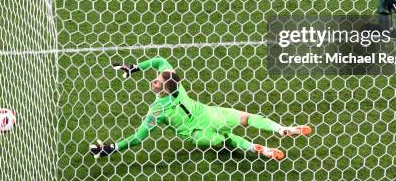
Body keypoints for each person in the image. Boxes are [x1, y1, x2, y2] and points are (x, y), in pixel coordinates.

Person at [90, 57, 312, 161]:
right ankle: (281, 129)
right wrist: (136, 68)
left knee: (227, 139)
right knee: (246, 118)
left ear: (165, 91)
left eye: (157, 82)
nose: (154, 81)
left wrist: (113, 147)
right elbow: (160, 61)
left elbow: (139, 137)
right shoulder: (178, 85)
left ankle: (260, 149)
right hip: (209, 113)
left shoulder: (157, 109)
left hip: (199, 135)